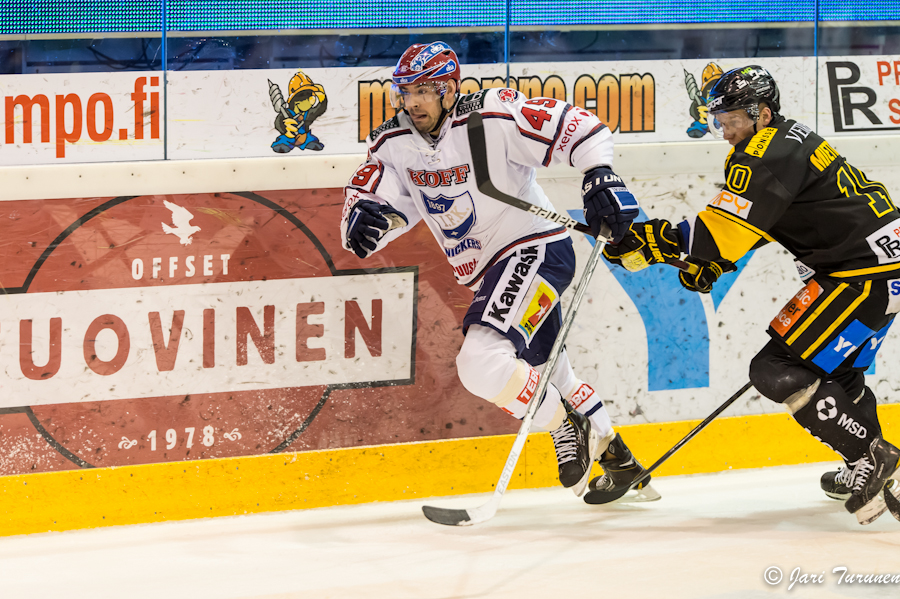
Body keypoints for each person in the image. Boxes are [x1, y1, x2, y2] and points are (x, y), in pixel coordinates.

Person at [340, 41, 658, 504]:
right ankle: (621, 462)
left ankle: (562, 421)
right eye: (406, 92)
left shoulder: (490, 116)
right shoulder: (393, 144)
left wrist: (598, 175)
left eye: (426, 91)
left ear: (450, 90)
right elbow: (380, 204)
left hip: (535, 249)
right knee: (550, 370)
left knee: (480, 364)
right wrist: (363, 221)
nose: (413, 102)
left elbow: (582, 128)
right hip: (490, 274)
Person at [602, 65, 900, 524]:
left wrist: (652, 241)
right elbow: (764, 218)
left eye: (731, 121)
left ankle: (869, 457)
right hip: (883, 270)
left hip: (861, 275)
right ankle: (868, 461)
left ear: (761, 113)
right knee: (834, 371)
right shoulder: (787, 138)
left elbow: (720, 229)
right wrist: (713, 261)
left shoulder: (762, 153)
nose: (724, 132)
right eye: (719, 122)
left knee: (774, 368)